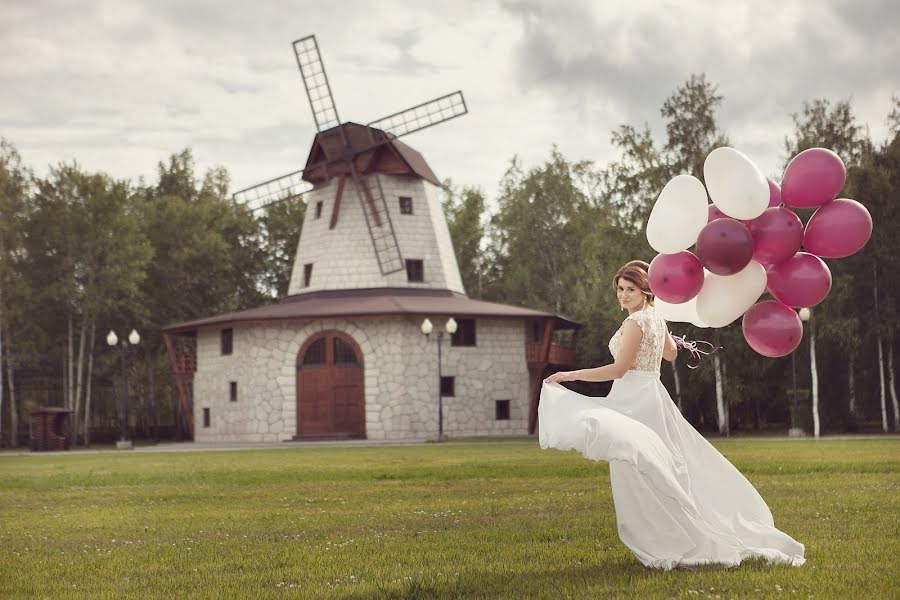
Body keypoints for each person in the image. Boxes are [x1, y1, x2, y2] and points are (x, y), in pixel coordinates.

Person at [540, 260, 805, 570]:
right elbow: (670, 354)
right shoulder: (656, 318)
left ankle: (665, 540)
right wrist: (661, 340)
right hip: (652, 397)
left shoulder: (635, 323)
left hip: (633, 400)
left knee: (639, 471)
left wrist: (570, 376)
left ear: (645, 291)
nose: (623, 296)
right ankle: (677, 533)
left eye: (631, 290)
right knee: (660, 466)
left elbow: (619, 369)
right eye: (620, 290)